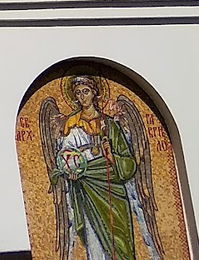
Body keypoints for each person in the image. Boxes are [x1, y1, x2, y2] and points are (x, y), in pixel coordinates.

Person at [48, 76, 157, 260]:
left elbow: (129, 164)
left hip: (113, 190)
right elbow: (66, 156)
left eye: (86, 91)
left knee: (120, 241)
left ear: (95, 93)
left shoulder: (110, 125)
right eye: (78, 93)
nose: (83, 97)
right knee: (93, 240)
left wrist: (111, 157)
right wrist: (71, 171)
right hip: (87, 190)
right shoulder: (71, 125)